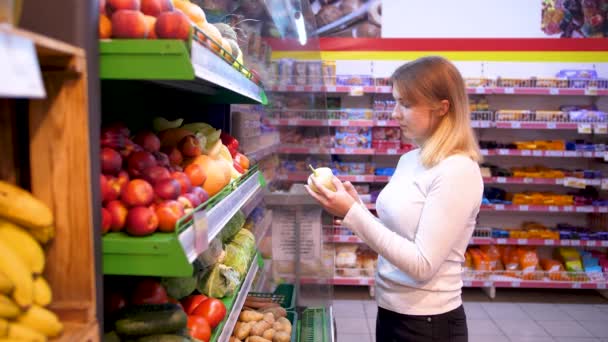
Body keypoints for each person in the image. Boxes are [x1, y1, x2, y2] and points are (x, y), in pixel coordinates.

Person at [306, 56, 483, 342]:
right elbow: (400, 233)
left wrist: (353, 213)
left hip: (428, 323)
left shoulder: (458, 170)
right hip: (392, 309)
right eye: (395, 101)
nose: (395, 114)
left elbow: (422, 265)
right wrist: (356, 206)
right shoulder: (410, 159)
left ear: (442, 108)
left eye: (406, 104)